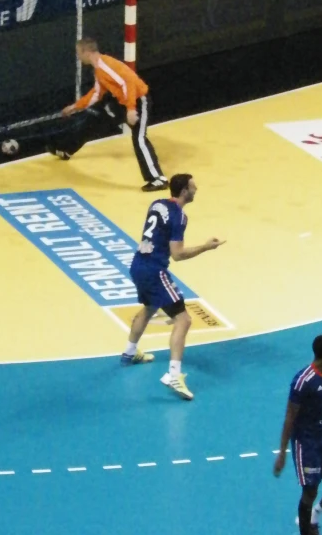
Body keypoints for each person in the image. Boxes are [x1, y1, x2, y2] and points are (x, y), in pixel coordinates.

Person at [121, 173, 225, 401]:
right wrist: (206, 247)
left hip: (138, 264)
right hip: (154, 271)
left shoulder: (157, 203)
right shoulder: (179, 216)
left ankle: (130, 352)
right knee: (184, 320)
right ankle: (174, 375)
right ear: (185, 191)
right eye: (192, 185)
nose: (196, 188)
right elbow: (177, 254)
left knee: (149, 307)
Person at [60, 38, 168, 192]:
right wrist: (75, 107)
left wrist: (131, 109)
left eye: (79, 53)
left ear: (86, 51)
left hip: (138, 100)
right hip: (123, 103)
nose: (78, 56)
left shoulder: (105, 66)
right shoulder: (99, 70)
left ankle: (158, 178)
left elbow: (128, 81)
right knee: (97, 119)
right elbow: (96, 94)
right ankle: (67, 149)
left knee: (139, 138)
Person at [273, 334, 322, 535]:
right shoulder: (303, 381)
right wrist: (282, 452)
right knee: (310, 491)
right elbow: (290, 417)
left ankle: (315, 516)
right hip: (307, 441)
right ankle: (306, 530)